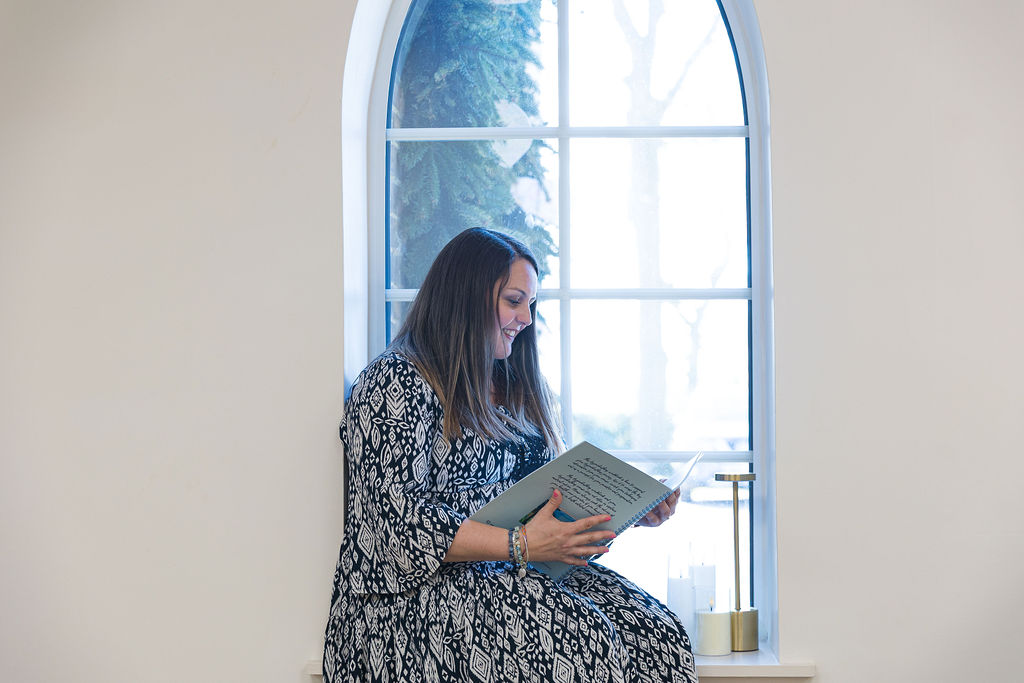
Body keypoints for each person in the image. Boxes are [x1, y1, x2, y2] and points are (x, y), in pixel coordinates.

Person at [322, 228, 698, 683]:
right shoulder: (394, 383)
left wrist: (623, 513)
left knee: (656, 636)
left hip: (511, 571)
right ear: (466, 297)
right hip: (409, 600)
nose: (525, 317)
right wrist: (520, 544)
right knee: (580, 640)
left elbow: (543, 508)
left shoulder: (515, 389)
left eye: (530, 305)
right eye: (514, 300)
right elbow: (394, 529)